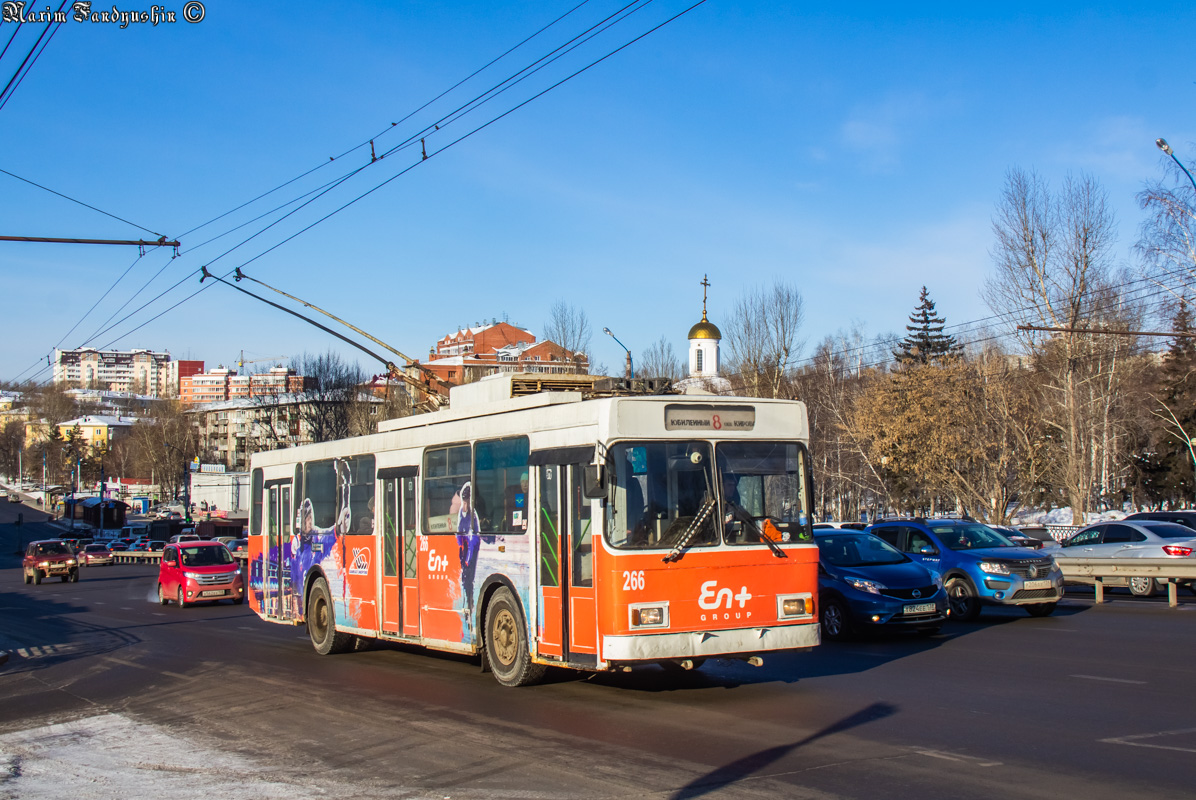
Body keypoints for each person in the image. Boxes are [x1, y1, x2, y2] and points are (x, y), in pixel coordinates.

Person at [456, 482, 481, 621]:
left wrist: (468, 558)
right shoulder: (461, 512)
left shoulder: (473, 516)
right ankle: (466, 602)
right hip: (465, 547)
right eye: (463, 501)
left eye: (466, 502)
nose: (464, 505)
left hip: (472, 547)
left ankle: (470, 604)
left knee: (469, 577)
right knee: (464, 577)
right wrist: (460, 549)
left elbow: (473, 540)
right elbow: (459, 533)